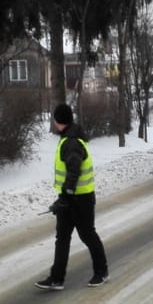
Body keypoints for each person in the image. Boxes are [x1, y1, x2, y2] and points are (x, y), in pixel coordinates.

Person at [35, 104, 109, 291]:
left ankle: (101, 272)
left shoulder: (71, 142)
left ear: (59, 121)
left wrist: (66, 196)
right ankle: (56, 278)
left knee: (87, 235)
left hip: (80, 198)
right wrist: (63, 198)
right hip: (70, 198)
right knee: (62, 237)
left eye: (55, 120)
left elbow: (74, 170)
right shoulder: (69, 138)